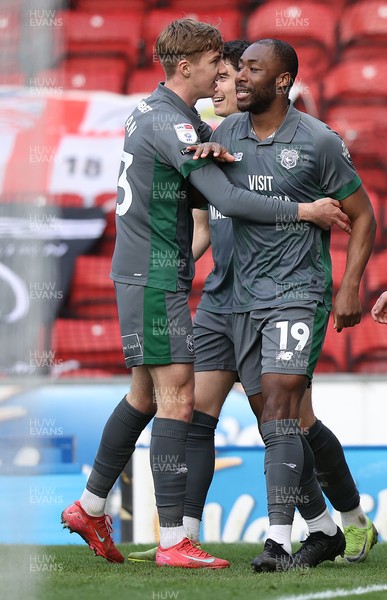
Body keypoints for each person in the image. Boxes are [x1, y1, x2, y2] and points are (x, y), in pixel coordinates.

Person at [60, 20, 352, 569]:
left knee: (147, 397)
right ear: (185, 65)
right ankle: (174, 541)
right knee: (178, 401)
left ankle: (92, 504)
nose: (224, 70)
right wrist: (304, 209)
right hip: (157, 277)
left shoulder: (156, 113)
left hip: (147, 274)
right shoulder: (178, 127)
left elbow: (196, 188)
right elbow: (228, 200)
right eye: (216, 61)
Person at [128, 40, 378, 567]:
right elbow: (204, 216)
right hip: (227, 294)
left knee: (287, 418)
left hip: (290, 293)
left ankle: (324, 528)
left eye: (245, 70)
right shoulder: (222, 135)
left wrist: (350, 284)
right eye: (231, 71)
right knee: (201, 414)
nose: (234, 80)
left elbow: (362, 215)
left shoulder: (318, 142)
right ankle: (184, 538)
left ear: (282, 80)